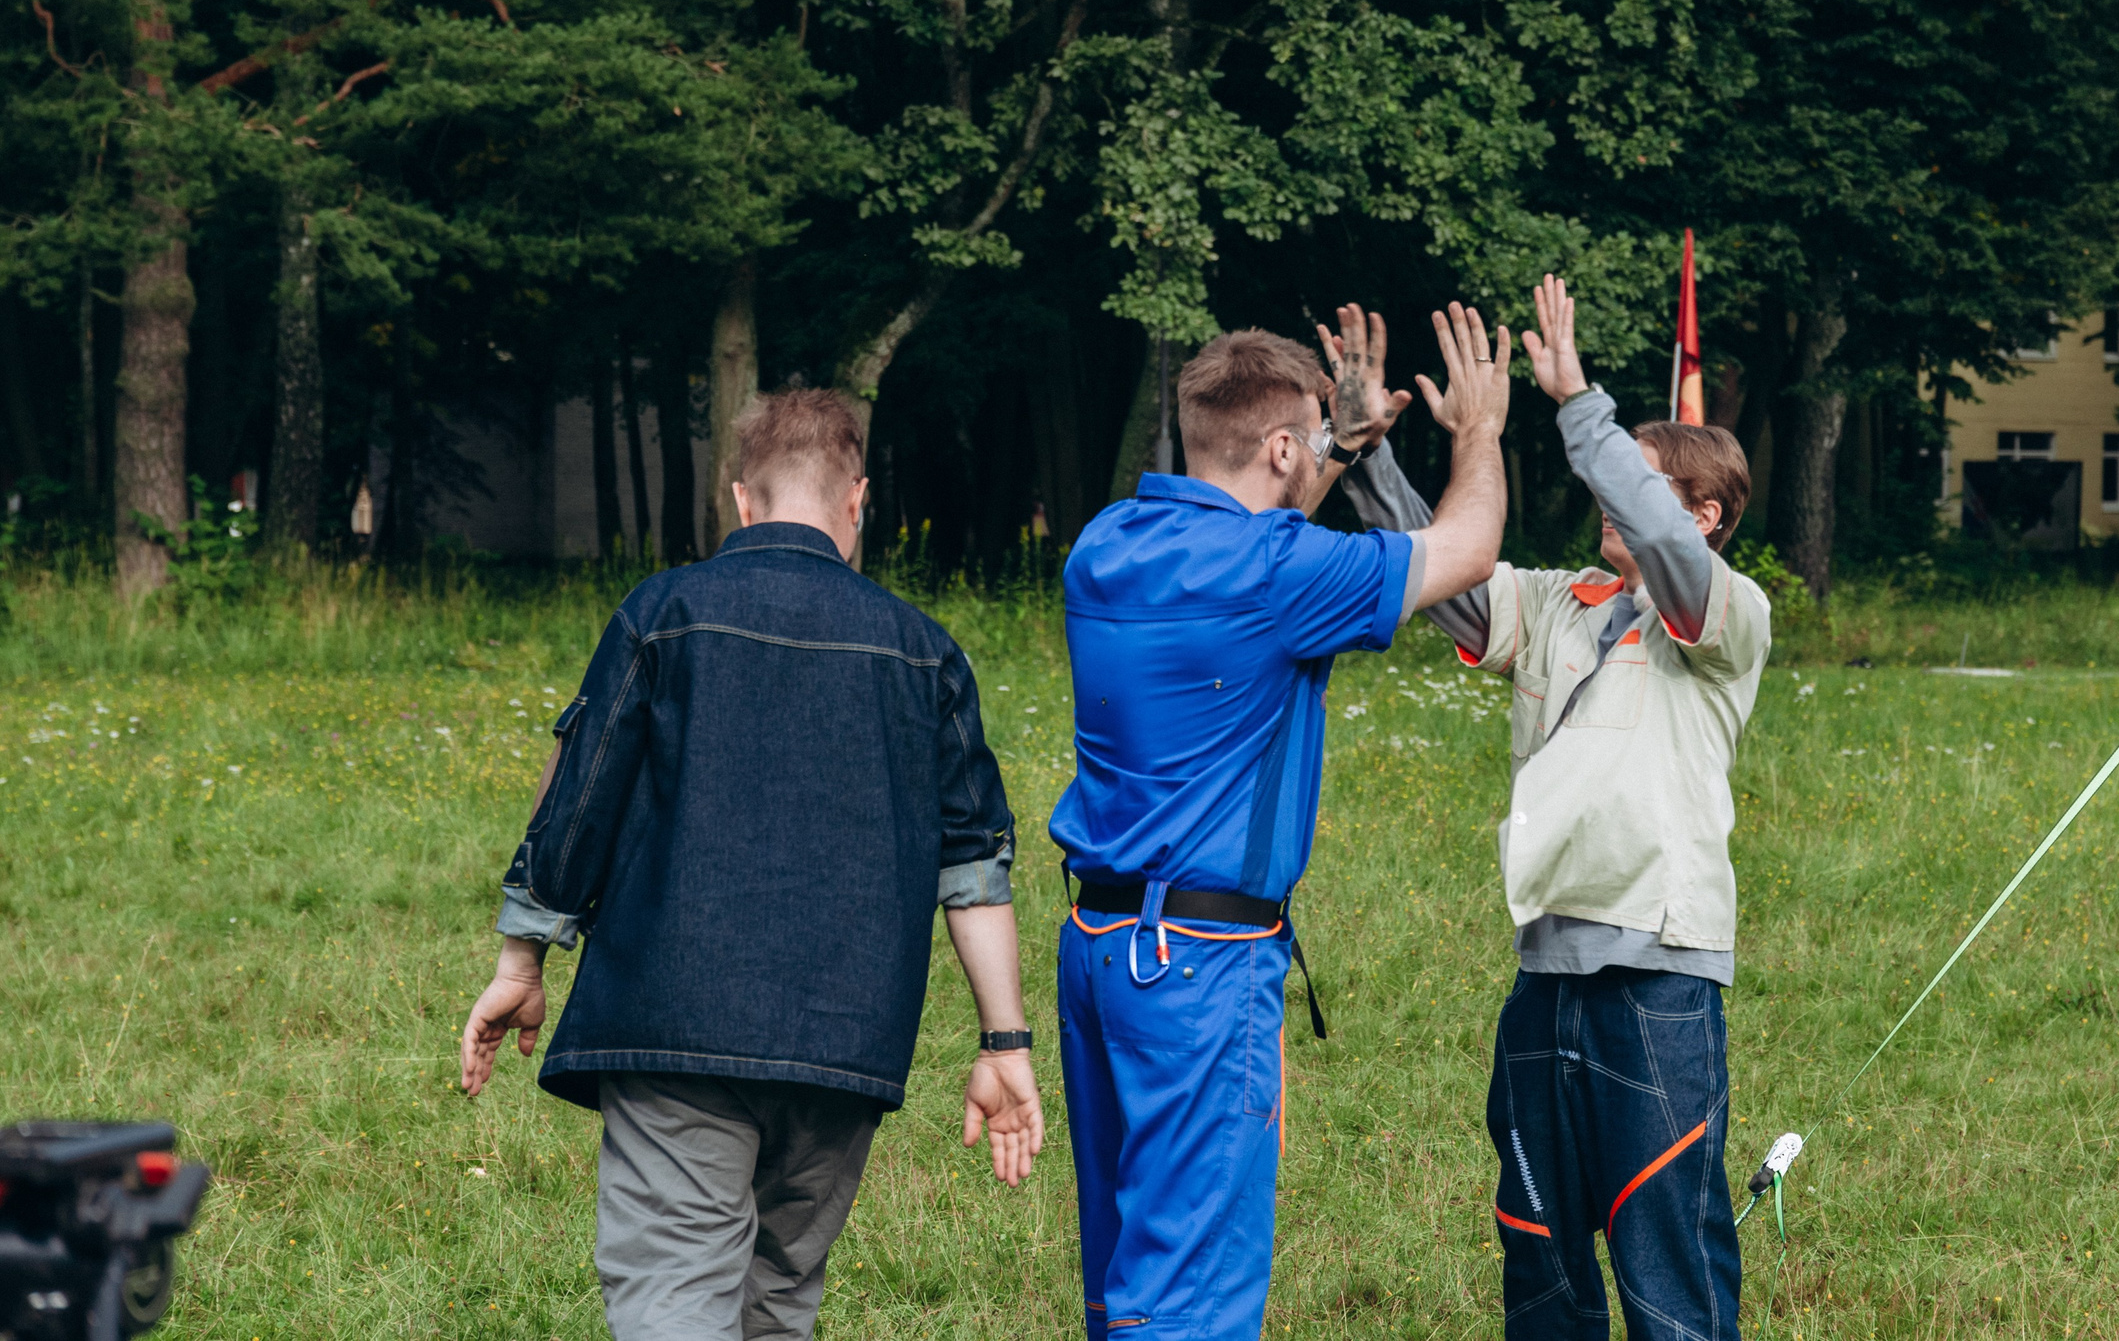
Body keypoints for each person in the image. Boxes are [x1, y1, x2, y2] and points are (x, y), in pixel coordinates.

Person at [457, 388, 1042, 1341]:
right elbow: (974, 865)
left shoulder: (664, 611)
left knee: (675, 1300)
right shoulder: (925, 651)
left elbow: (581, 795)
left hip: (674, 1017)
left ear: (740, 500)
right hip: (847, 1041)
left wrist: (523, 960)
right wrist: (1003, 1043)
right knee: (780, 1302)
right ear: (858, 501)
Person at [1051, 307, 1514, 1341]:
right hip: (1200, 965)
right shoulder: (1279, 573)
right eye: (1303, 444)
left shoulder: (1106, 545)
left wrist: (1339, 442)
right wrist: (1476, 430)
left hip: (1097, 945)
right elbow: (1470, 548)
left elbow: (1269, 501)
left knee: (1128, 1263)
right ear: (1274, 448)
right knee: (1192, 1293)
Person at [1334, 276, 1772, 1340]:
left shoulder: (1721, 616)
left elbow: (1660, 548)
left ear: (1704, 518)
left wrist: (1579, 405)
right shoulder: (1556, 602)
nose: (1614, 503)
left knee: (1666, 1256)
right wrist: (1365, 454)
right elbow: (1438, 576)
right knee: (1537, 1251)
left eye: (1647, 487)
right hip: (1544, 978)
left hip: (1657, 981)